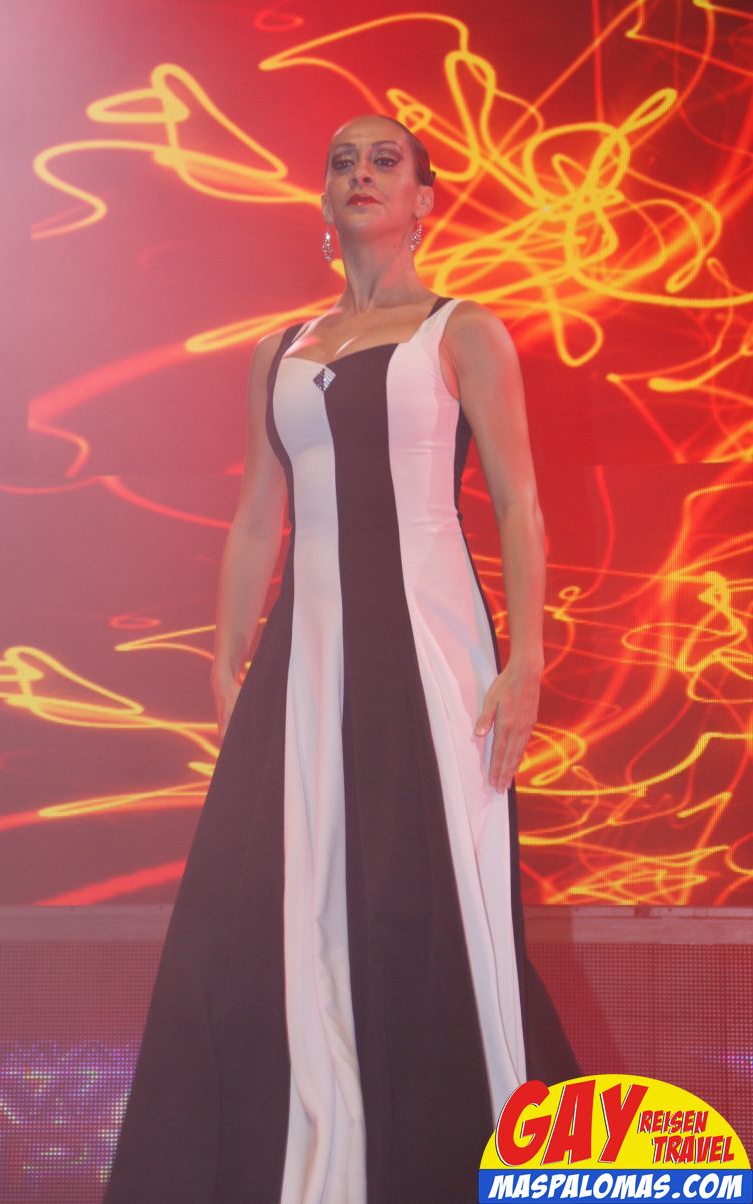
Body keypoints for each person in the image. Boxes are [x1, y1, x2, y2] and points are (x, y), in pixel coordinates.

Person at [102, 112, 581, 1204]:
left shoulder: (462, 331)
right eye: (341, 161)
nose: (360, 173)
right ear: (322, 199)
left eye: (384, 160)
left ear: (423, 200)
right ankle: (312, 1161)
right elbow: (254, 520)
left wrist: (527, 662)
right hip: (301, 663)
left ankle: (460, 1152)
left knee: (422, 899)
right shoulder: (279, 351)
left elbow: (519, 501)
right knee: (276, 903)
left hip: (431, 656)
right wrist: (225, 661)